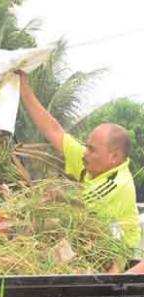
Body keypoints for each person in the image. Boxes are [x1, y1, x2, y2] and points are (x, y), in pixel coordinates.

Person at [18, 71, 141, 253]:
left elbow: (73, 211)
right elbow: (54, 131)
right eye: (87, 146)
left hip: (119, 257)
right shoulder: (92, 163)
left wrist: (50, 200)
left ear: (114, 157)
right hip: (93, 244)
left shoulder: (117, 184)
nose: (85, 154)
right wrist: (24, 89)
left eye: (93, 150)